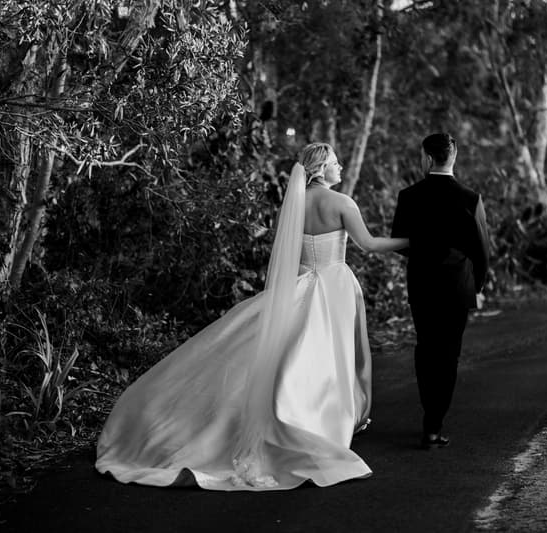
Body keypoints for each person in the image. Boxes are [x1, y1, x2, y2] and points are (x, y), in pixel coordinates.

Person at [95, 142, 408, 490]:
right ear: (321, 169)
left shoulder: (294, 205)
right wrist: (410, 241)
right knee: (326, 358)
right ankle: (316, 423)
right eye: (336, 162)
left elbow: (288, 254)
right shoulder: (342, 203)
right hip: (333, 287)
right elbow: (370, 244)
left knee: (287, 356)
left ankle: (290, 417)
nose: (341, 167)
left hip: (298, 288)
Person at [391, 133, 490, 450]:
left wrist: (424, 252)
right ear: (453, 157)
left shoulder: (409, 196)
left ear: (427, 158)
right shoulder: (470, 198)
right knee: (450, 352)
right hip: (457, 286)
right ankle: (434, 424)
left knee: (426, 347)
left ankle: (430, 410)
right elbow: (482, 251)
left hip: (422, 283)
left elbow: (400, 243)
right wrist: (478, 286)